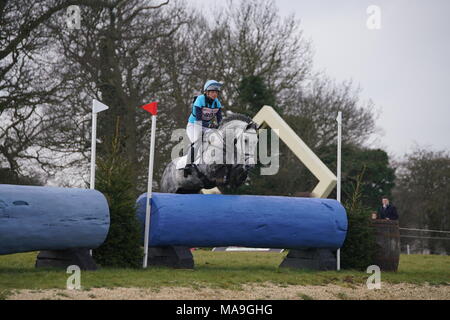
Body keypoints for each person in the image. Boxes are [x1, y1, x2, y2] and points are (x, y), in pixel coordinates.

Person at [184, 80, 223, 174]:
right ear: (206, 92)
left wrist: (219, 128)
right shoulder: (200, 100)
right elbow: (198, 119)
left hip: (205, 127)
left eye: (216, 92)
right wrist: (210, 125)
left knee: (218, 140)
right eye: (212, 92)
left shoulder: (217, 103)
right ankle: (188, 165)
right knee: (197, 142)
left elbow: (220, 120)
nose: (215, 94)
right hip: (194, 125)